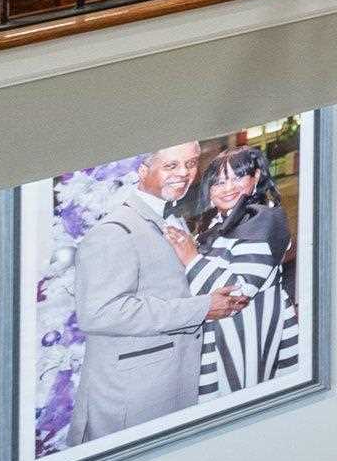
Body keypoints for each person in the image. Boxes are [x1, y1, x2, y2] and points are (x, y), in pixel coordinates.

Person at [68, 144, 244, 444]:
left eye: (189, 164)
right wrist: (202, 309)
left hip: (167, 387)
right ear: (142, 170)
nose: (184, 173)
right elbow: (100, 313)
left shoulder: (170, 218)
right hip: (132, 397)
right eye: (171, 166)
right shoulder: (114, 231)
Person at [181, 141, 300, 397]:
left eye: (238, 177)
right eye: (219, 182)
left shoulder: (263, 219)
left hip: (245, 342)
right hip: (223, 338)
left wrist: (190, 258)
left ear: (255, 177)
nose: (228, 188)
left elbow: (238, 293)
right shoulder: (217, 221)